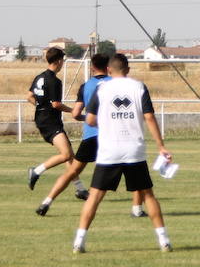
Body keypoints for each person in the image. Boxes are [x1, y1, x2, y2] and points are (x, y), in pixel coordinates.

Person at [72, 53, 173, 254]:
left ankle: (79, 241)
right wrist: (161, 145)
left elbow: (90, 120)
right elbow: (149, 117)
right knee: (148, 195)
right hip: (133, 150)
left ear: (109, 70)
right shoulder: (138, 87)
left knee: (94, 197)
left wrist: (108, 121)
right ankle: (164, 241)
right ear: (128, 70)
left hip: (109, 150)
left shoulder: (102, 89)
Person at [35, 53, 107, 217]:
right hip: (112, 136)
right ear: (108, 67)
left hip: (90, 135)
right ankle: (137, 208)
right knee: (134, 171)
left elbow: (75, 114)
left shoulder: (86, 86)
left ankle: (47, 201)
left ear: (92, 67)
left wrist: (86, 118)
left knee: (71, 171)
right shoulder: (116, 84)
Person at [25, 47, 74, 191]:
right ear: (59, 61)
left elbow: (29, 96)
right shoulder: (54, 81)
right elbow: (56, 104)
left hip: (42, 118)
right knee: (66, 154)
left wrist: (41, 105)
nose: (63, 63)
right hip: (50, 121)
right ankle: (36, 171)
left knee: (70, 155)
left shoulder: (40, 76)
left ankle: (80, 188)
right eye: (63, 61)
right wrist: (73, 111)